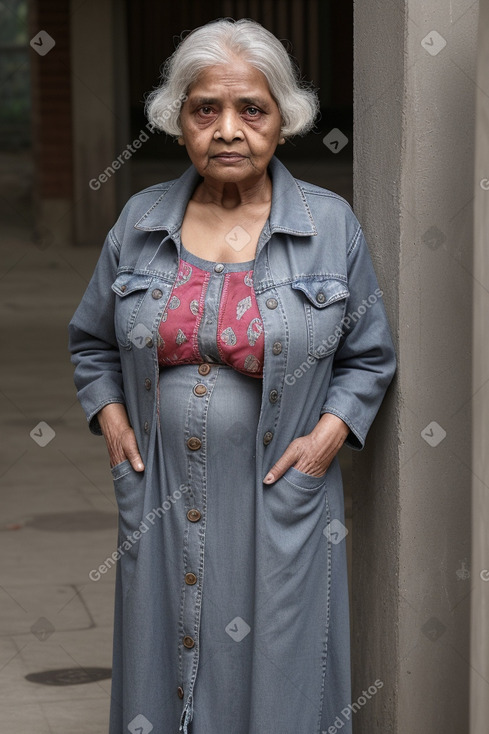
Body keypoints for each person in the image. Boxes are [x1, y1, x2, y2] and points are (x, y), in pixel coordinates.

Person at [68, 17, 396, 734]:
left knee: (280, 666)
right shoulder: (141, 218)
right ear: (176, 119)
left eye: (251, 109)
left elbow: (368, 355)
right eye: (204, 109)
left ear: (284, 118)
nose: (227, 129)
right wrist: (112, 419)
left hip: (279, 489)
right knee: (162, 656)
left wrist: (325, 441)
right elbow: (91, 341)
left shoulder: (328, 224)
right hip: (160, 485)